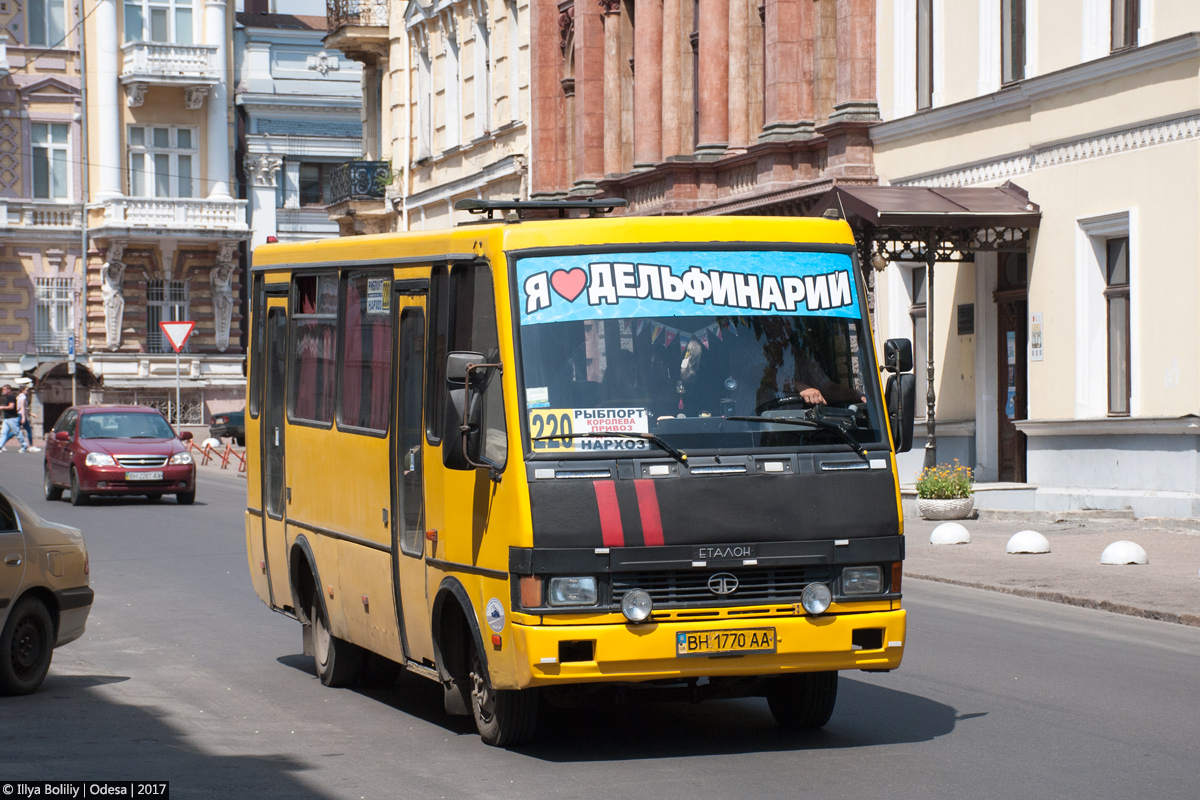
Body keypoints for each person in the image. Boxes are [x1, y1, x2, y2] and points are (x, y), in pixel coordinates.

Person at [15, 385, 40, 453]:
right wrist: (23, 417)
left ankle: (1, 444)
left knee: (15, 430)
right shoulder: (23, 397)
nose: (28, 391)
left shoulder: (19, 397)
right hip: (22, 415)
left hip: (19, 414)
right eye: (26, 390)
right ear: (23, 390)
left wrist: (32, 414)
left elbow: (22, 408)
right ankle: (31, 445)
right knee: (28, 430)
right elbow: (23, 408)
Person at [0, 386, 20, 452]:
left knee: (17, 432)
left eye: (4, 389)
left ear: (8, 390)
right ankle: (0, 446)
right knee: (3, 433)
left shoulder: (11, 397)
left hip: (12, 418)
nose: (3, 391)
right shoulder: (8, 397)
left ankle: (24, 445)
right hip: (7, 418)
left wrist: (2, 407)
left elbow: (11, 407)